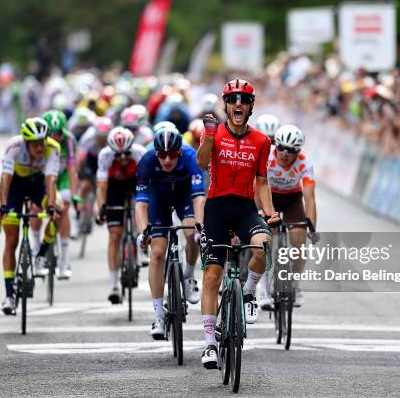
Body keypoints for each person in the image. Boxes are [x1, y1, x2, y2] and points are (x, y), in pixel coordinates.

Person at [196, 79, 280, 369]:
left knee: (265, 245)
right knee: (211, 277)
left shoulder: (262, 141)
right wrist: (207, 139)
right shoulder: (214, 133)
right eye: (233, 100)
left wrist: (269, 213)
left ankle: (248, 291)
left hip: (245, 210)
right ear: (226, 105)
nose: (238, 105)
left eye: (244, 100)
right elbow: (200, 162)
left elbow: (262, 181)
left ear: (251, 106)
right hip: (217, 209)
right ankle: (209, 344)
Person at [135, 127, 205, 339]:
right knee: (157, 253)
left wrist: (200, 227)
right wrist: (143, 232)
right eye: (162, 155)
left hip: (184, 196)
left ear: (180, 152)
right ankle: (158, 314)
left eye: (172, 155)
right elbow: (140, 205)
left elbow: (199, 197)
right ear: (156, 153)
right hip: (159, 200)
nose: (167, 160)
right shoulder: (147, 160)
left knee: (192, 233)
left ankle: (189, 276)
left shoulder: (191, 156)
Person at [0, 118, 60, 315]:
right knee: (11, 240)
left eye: (43, 142)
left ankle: (41, 256)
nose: (40, 148)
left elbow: (51, 181)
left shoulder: (52, 148)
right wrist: (3, 207)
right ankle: (9, 295)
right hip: (16, 185)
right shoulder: (13, 147)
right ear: (26, 142)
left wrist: (52, 207)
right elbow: (5, 178)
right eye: (35, 144)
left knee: (58, 212)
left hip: (39, 183)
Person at [259, 124, 319, 309]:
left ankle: (295, 285)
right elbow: (257, 185)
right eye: (281, 148)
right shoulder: (266, 155)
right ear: (275, 145)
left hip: (292, 199)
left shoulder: (304, 162)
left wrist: (312, 227)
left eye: (291, 150)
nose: (285, 153)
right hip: (269, 196)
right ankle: (263, 290)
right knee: (268, 238)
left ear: (298, 151)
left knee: (299, 240)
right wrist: (262, 212)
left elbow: (309, 198)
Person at [96, 127, 147, 303]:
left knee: (140, 212)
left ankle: (139, 247)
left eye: (126, 153)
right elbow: (102, 186)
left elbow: (147, 184)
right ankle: (114, 285)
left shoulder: (139, 153)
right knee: (114, 235)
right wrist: (102, 207)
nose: (123, 158)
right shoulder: (105, 155)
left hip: (135, 183)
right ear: (112, 152)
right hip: (114, 186)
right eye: (119, 155)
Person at [40, 110, 79, 279]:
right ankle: (36, 253)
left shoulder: (69, 139)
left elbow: (72, 168)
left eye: (59, 133)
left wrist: (74, 192)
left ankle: (64, 261)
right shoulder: (39, 140)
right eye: (52, 133)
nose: (56, 137)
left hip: (62, 177)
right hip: (44, 176)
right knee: (35, 212)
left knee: (63, 209)